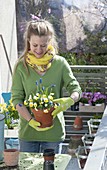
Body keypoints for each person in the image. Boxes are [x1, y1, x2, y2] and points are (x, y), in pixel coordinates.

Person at [11, 19, 82, 153]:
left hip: (53, 134)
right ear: (28, 42)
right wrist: (30, 120)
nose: (39, 49)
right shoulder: (21, 66)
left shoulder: (60, 64)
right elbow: (17, 99)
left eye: (43, 45)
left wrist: (71, 99)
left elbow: (76, 88)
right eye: (35, 45)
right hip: (28, 134)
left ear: (50, 42)